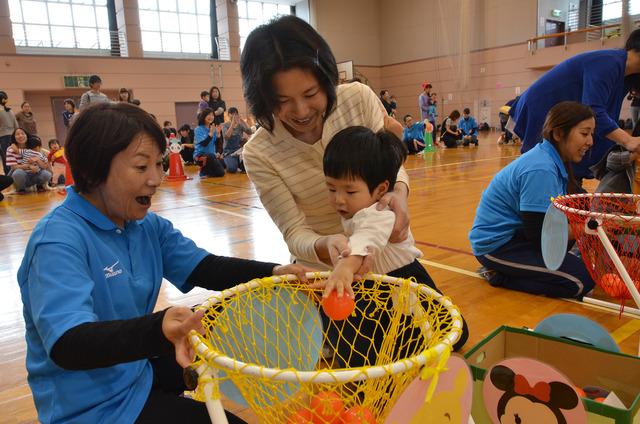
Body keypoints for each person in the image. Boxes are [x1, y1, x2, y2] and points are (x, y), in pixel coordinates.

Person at [16, 101, 308, 424]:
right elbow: (69, 343)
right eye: (142, 168)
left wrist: (274, 272)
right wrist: (158, 328)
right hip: (92, 410)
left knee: (215, 325)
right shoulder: (58, 240)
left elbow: (204, 267)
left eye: (159, 164)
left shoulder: (144, 226)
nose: (156, 178)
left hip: (134, 373)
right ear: (92, 170)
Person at [241, 15, 408, 279]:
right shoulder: (259, 152)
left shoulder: (357, 99)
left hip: (386, 253)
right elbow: (295, 233)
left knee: (441, 319)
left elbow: (388, 167)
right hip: (324, 273)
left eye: (310, 94)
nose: (301, 111)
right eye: (282, 100)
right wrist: (325, 244)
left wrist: (399, 195)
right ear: (262, 99)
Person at [314, 126, 468, 358]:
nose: (338, 199)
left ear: (381, 189)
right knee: (360, 348)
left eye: (350, 191)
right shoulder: (358, 207)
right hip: (375, 284)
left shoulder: (381, 209)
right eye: (331, 188)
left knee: (450, 335)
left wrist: (345, 266)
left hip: (404, 282)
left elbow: (368, 237)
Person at [469, 101, 596, 299]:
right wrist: (587, 228)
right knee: (581, 281)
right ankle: (500, 275)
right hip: (497, 245)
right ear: (558, 134)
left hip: (519, 237)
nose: (590, 141)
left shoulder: (551, 159)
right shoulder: (542, 168)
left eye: (591, 134)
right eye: (584, 133)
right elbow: (539, 236)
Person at [509, 29, 640, 179]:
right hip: (541, 107)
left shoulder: (626, 76)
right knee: (543, 166)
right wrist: (628, 141)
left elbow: (603, 118)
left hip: (561, 110)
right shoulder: (609, 62)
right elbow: (594, 110)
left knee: (567, 169)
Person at [6, 129, 52, 193]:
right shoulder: (11, 149)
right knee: (18, 173)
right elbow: (14, 167)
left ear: (27, 135)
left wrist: (38, 162)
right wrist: (29, 166)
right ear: (14, 137)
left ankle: (39, 185)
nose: (20, 136)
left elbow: (45, 162)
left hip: (35, 172)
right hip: (21, 174)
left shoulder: (32, 146)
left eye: (22, 133)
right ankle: (21, 188)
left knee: (46, 174)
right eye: (17, 134)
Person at [194, 108, 225, 178]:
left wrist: (218, 136)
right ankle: (203, 171)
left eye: (212, 115)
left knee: (221, 173)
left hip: (212, 156)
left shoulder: (213, 128)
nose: (211, 117)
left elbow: (218, 145)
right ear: (203, 116)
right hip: (200, 156)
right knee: (211, 156)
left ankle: (209, 172)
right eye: (209, 115)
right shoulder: (198, 129)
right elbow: (203, 144)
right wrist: (211, 133)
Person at [222, 107, 253, 173]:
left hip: (238, 151)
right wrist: (232, 124)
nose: (234, 116)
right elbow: (226, 137)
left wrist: (243, 122)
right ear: (228, 115)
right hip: (229, 152)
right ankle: (225, 161)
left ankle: (237, 163)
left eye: (235, 114)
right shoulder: (225, 125)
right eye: (232, 114)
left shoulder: (240, 125)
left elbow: (250, 132)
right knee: (232, 169)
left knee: (248, 167)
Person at [0, 90, 19, 173]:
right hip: (13, 137)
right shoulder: (10, 111)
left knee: (6, 158)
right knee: (15, 157)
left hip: (3, 137)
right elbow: (16, 126)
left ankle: (9, 177)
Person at [207, 86, 226, 153]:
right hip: (211, 126)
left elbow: (220, 111)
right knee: (212, 141)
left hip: (221, 125)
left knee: (221, 141)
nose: (215, 93)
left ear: (219, 93)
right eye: (213, 92)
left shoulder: (222, 102)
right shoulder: (208, 103)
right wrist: (214, 113)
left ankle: (221, 155)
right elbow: (207, 114)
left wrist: (211, 114)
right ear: (210, 93)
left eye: (216, 91)